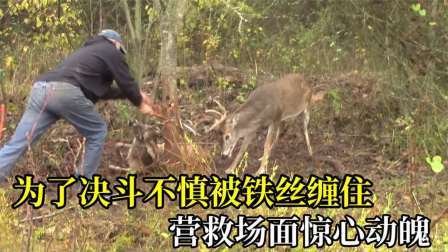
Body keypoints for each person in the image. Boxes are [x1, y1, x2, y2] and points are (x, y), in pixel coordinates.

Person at [0, 29, 160, 182]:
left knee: (18, 143)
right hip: (64, 92)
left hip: (41, 89)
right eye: (120, 51)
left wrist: (133, 93)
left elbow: (103, 91)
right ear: (115, 43)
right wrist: (139, 102)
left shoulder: (87, 53)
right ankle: (82, 187)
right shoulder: (110, 49)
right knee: (98, 131)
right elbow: (126, 81)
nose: (120, 54)